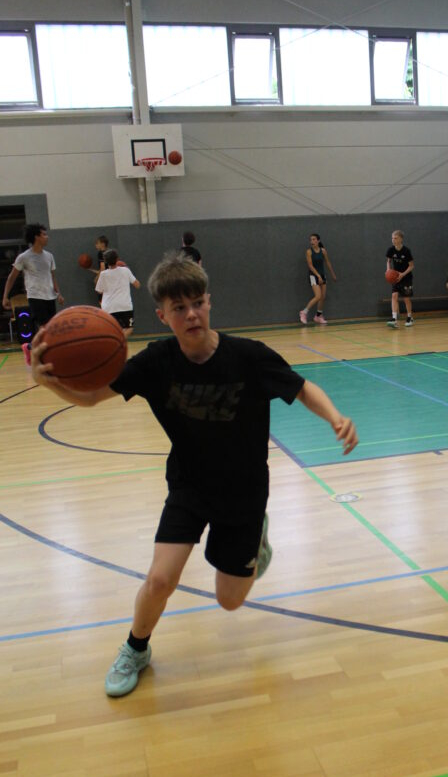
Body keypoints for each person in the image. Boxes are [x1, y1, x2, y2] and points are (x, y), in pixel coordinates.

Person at [30, 253, 358, 698]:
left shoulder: (248, 356)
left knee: (229, 601)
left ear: (209, 302)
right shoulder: (156, 362)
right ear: (162, 315)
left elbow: (301, 388)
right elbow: (90, 397)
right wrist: (47, 380)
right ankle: (135, 648)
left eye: (197, 303)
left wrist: (335, 417)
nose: (191, 314)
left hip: (244, 492)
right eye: (179, 308)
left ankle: (256, 541)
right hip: (189, 485)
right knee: (160, 579)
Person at [2, 223, 65, 364]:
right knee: (44, 328)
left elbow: (52, 276)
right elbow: (12, 277)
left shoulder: (49, 256)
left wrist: (58, 293)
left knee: (49, 329)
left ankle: (29, 347)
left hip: (50, 296)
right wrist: (5, 296)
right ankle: (46, 357)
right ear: (37, 237)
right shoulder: (24, 257)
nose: (47, 237)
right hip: (35, 296)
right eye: (44, 234)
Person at [95, 249, 141, 337]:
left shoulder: (103, 274)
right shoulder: (125, 270)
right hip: (124, 305)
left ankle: (115, 341)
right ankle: (119, 340)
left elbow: (99, 290)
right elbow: (137, 285)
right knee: (129, 328)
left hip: (109, 307)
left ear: (105, 261)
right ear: (117, 259)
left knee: (111, 329)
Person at [299, 234, 336, 325]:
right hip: (313, 276)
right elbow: (310, 266)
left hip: (322, 275)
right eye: (311, 240)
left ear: (318, 241)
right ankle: (304, 312)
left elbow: (328, 262)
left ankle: (318, 316)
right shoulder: (309, 252)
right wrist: (318, 276)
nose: (312, 241)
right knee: (318, 296)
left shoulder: (323, 251)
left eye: (314, 239)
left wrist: (333, 274)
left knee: (322, 297)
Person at [385, 230, 414, 328]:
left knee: (406, 298)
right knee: (394, 296)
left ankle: (409, 317)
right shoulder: (390, 250)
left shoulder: (406, 251)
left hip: (406, 277)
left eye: (395, 238)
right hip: (395, 277)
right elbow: (388, 261)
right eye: (392, 238)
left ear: (401, 239)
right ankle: (394, 319)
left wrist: (403, 274)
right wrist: (388, 270)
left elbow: (411, 266)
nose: (393, 240)